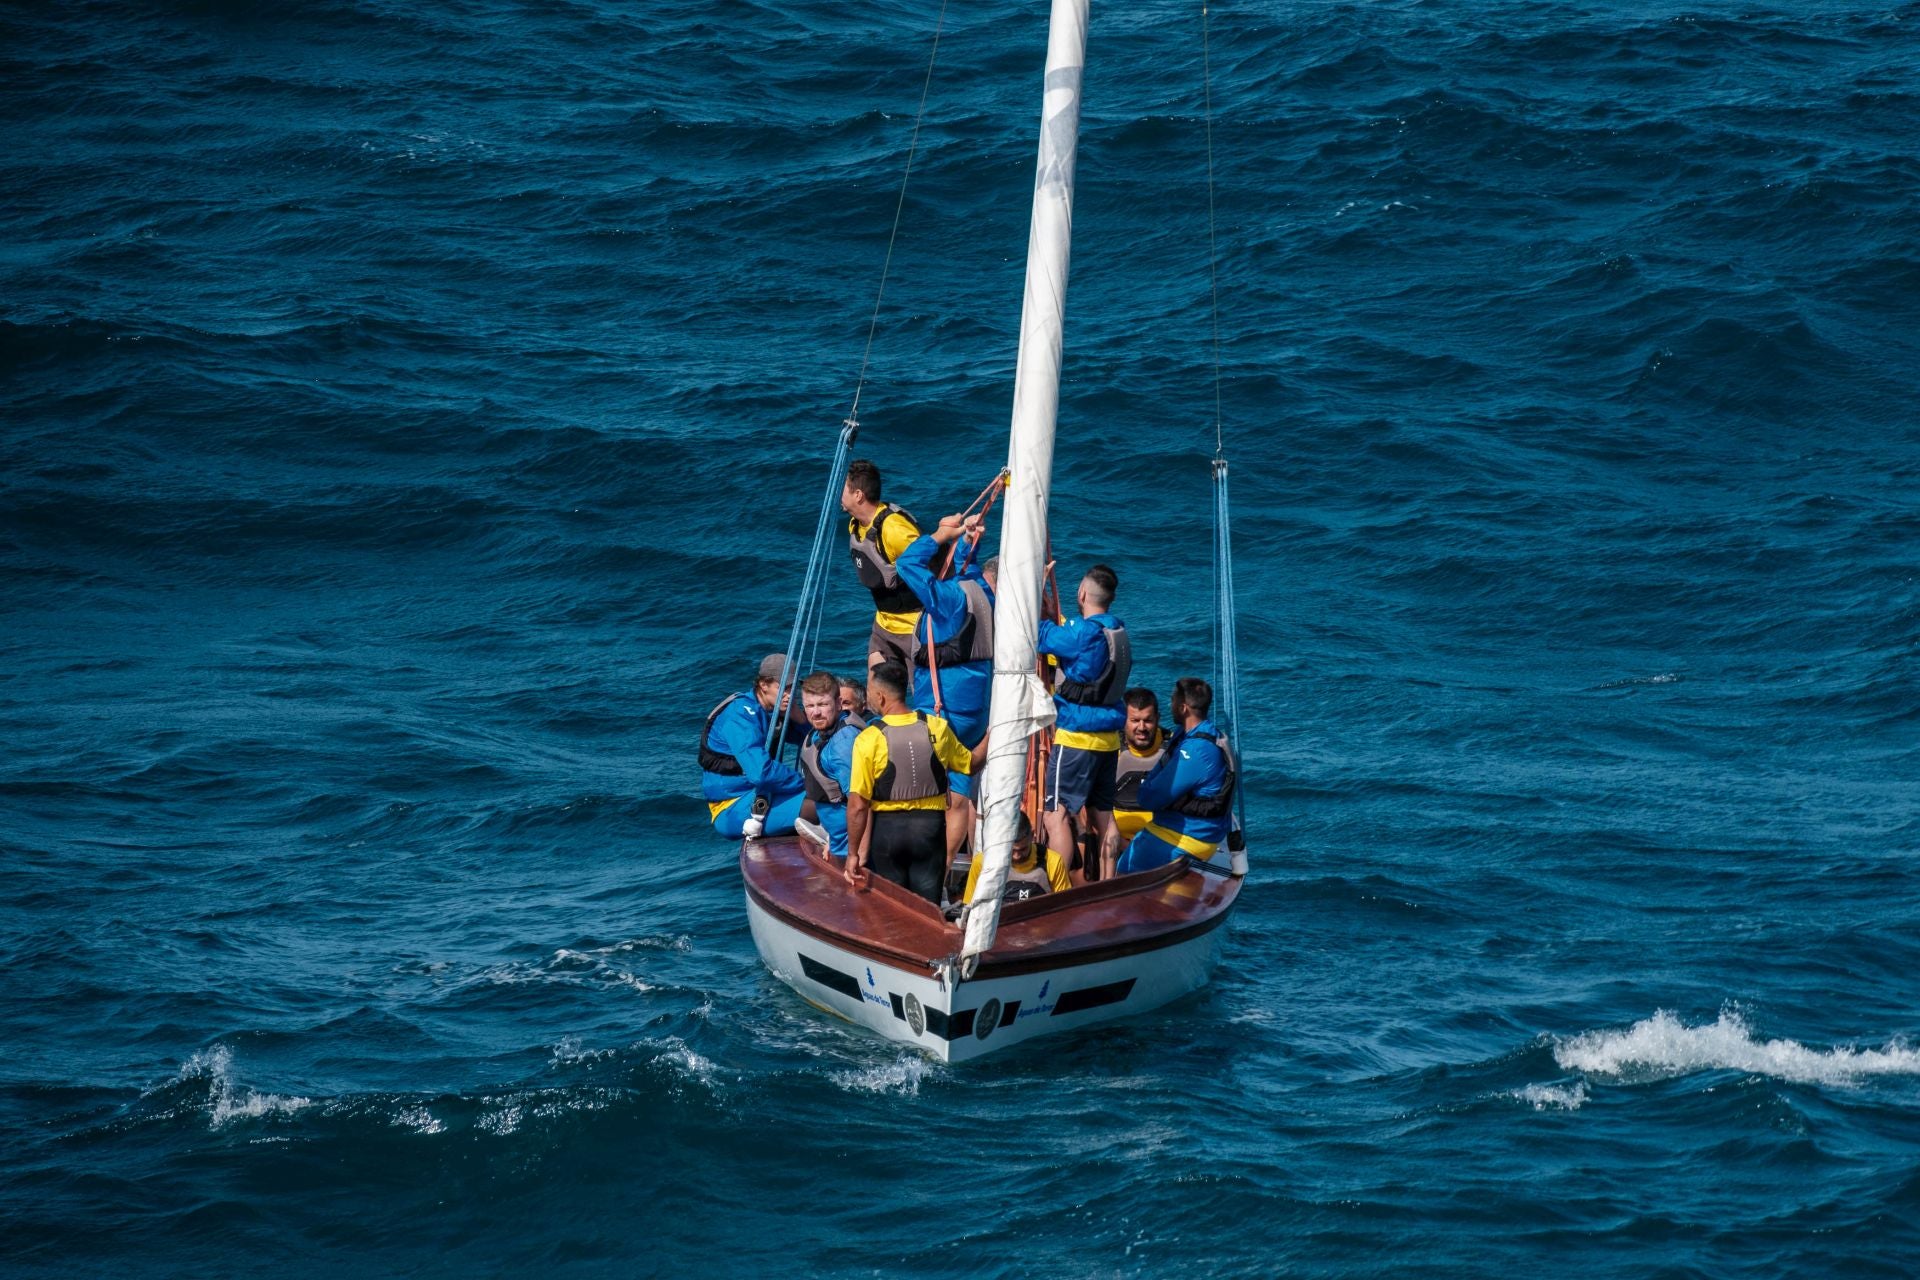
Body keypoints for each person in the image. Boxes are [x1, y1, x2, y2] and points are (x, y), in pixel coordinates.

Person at [893, 513, 996, 861]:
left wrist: (939, 535)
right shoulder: (980, 591)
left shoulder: (947, 600)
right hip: (975, 713)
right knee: (960, 795)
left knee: (928, 796)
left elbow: (906, 564)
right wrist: (967, 541)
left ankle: (927, 866)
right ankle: (949, 867)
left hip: (943, 713)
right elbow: (969, 567)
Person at [845, 661, 973, 903]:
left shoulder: (869, 738)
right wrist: (992, 735)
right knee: (927, 908)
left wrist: (853, 853)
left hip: (888, 834)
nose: (869, 697)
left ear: (880, 697)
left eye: (869, 691)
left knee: (895, 908)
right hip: (930, 831)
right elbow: (970, 764)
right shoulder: (937, 727)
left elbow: (858, 806)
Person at [1036, 563, 1130, 879]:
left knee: (1056, 816)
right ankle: (1108, 884)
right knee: (1104, 817)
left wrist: (1038, 599)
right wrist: (1055, 617)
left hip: (1077, 737)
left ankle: (1056, 889)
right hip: (1108, 740)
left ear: (1082, 593)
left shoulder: (1083, 633)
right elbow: (1072, 642)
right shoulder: (1115, 630)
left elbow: (1041, 636)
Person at [1115, 677, 1234, 874]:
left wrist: (1148, 788)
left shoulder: (1196, 750)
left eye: (1172, 700)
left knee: (1122, 871)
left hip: (1187, 836)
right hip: (1174, 827)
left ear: (1183, 708)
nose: (1170, 705)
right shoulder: (1197, 734)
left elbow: (1150, 798)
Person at [700, 653, 808, 839]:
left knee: (828, 797)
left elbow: (813, 742)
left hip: (763, 794)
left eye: (793, 688)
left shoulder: (772, 712)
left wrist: (800, 719)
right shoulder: (740, 715)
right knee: (821, 804)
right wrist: (804, 783)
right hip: (733, 806)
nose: (790, 694)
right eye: (783, 687)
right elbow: (761, 773)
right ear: (764, 685)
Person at [842, 459, 922, 670]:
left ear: (858, 495)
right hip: (883, 625)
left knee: (920, 689)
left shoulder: (895, 530)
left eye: (844, 489)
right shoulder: (856, 524)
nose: (839, 494)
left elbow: (930, 567)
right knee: (876, 685)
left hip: (912, 627)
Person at [794, 671, 861, 858]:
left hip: (851, 848)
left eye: (823, 704)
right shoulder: (820, 733)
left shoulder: (843, 745)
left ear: (838, 704)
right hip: (837, 841)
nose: (816, 712)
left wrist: (857, 855)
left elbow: (861, 804)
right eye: (810, 706)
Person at [962, 811, 1072, 903]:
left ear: (1032, 836)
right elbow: (969, 905)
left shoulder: (1052, 861)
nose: (1017, 856)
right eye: (1011, 850)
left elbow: (1065, 906)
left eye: (1023, 849)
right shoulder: (983, 862)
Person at [1111, 687, 1169, 842]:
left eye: (1148, 721)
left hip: (1163, 841)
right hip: (1116, 841)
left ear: (1158, 718)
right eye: (1135, 721)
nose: (1142, 728)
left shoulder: (1175, 750)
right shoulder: (1109, 748)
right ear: (1123, 719)